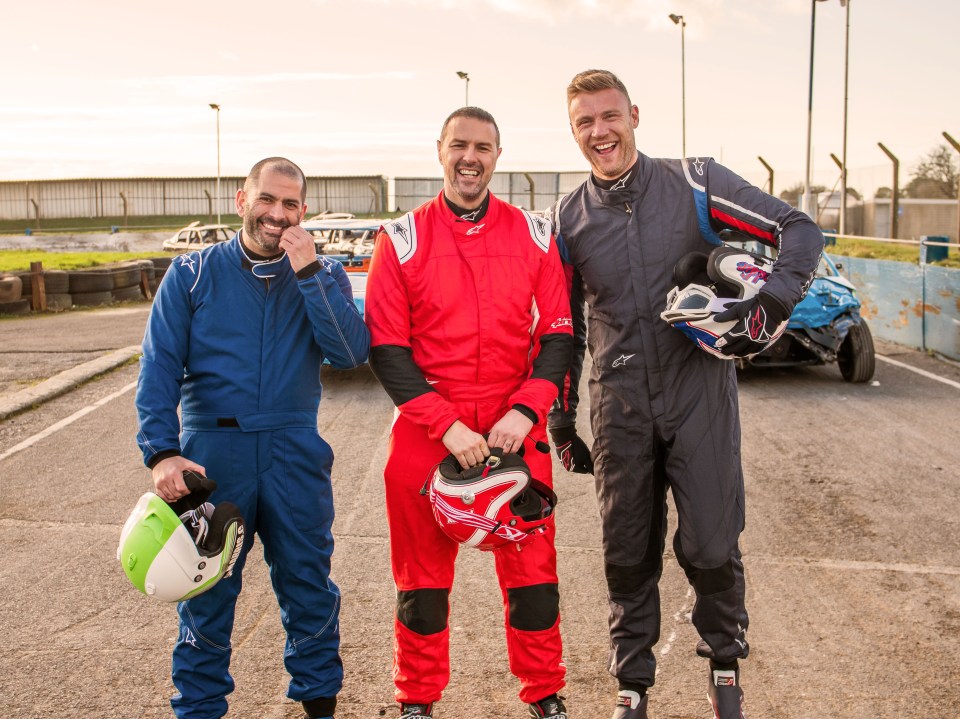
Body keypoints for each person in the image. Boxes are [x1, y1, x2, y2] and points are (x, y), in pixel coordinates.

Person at [546, 70, 824, 719]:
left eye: (609, 116)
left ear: (635, 115)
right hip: (619, 404)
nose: (599, 131)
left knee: (710, 542)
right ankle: (632, 685)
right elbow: (564, 321)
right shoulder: (566, 217)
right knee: (627, 549)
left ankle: (724, 667)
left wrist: (771, 304)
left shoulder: (695, 181)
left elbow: (799, 230)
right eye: (584, 122)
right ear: (573, 131)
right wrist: (562, 416)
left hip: (699, 392)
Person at [135, 157, 370, 719]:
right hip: (211, 457)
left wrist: (309, 271)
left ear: (303, 212)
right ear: (243, 200)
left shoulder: (324, 273)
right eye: (267, 199)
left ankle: (319, 705)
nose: (277, 214)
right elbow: (158, 369)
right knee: (206, 595)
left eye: (290, 205)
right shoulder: (191, 273)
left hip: (294, 450)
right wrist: (163, 452)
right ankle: (198, 709)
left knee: (308, 584)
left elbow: (350, 352)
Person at [364, 107, 574, 719]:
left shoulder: (535, 233)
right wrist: (447, 425)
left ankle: (545, 694)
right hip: (431, 432)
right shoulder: (400, 237)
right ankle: (417, 701)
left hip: (515, 427)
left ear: (497, 155)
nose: (470, 158)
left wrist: (528, 411)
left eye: (482, 147)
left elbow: (558, 334)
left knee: (534, 577)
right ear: (439, 151)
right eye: (459, 145)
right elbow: (386, 349)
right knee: (421, 584)